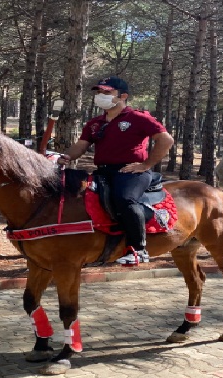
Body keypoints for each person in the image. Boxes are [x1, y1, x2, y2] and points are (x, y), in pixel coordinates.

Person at [59, 77, 174, 266]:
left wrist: (146, 165)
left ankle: (139, 249)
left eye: (107, 92)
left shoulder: (138, 118)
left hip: (131, 172)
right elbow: (80, 146)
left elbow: (166, 140)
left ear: (123, 96)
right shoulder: (95, 123)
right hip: (103, 171)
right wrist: (66, 157)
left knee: (124, 199)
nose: (100, 96)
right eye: (99, 93)